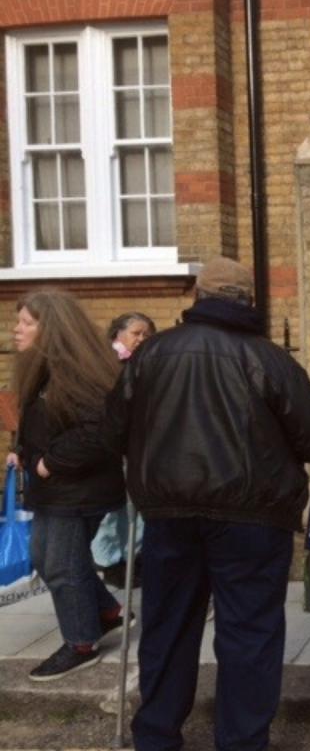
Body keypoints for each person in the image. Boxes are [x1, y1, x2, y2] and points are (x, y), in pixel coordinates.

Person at [106, 257, 310, 749]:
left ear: (197, 297)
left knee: (167, 627)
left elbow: (114, 428)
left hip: (170, 511)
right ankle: (241, 742)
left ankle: (156, 737)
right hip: (253, 514)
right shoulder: (270, 359)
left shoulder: (152, 354)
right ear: (248, 301)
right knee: (249, 634)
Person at [10, 290, 128, 680]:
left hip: (78, 489)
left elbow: (97, 430)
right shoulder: (41, 368)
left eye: (27, 323)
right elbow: (41, 422)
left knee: (61, 565)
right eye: (18, 321)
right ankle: (108, 612)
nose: (16, 329)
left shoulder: (74, 371)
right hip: (58, 489)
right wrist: (21, 453)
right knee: (48, 559)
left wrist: (50, 462)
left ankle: (81, 643)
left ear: (52, 330)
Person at [91, 312, 156, 589]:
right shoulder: (108, 364)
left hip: (140, 446)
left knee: (136, 507)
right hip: (113, 447)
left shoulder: (150, 363)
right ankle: (108, 561)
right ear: (118, 335)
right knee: (113, 509)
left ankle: (133, 558)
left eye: (146, 334)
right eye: (136, 333)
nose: (141, 339)